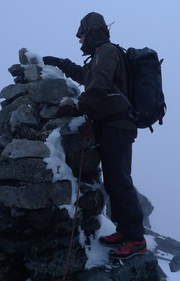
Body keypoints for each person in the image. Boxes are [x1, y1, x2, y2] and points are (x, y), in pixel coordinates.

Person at [43, 12, 146, 260]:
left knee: (120, 180)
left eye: (82, 35)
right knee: (113, 181)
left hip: (117, 126)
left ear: (91, 32)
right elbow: (88, 77)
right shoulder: (100, 55)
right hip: (111, 125)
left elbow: (99, 85)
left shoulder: (107, 52)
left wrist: (78, 107)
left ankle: (136, 239)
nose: (80, 41)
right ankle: (124, 231)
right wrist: (63, 63)